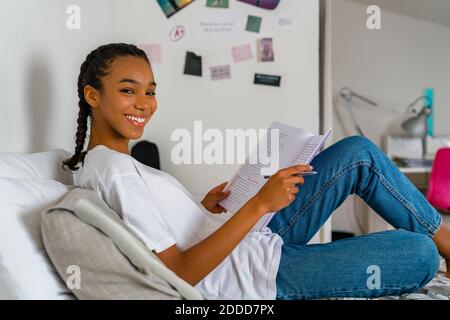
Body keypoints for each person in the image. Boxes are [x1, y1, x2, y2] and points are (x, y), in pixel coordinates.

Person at [63, 43, 450, 300]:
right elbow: (177, 275)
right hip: (257, 276)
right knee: (418, 254)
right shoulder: (113, 170)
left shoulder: (112, 166)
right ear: (92, 95)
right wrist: (259, 205)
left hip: (251, 241)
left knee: (359, 154)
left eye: (150, 91)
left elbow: (158, 233)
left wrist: (202, 209)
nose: (144, 103)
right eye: (128, 90)